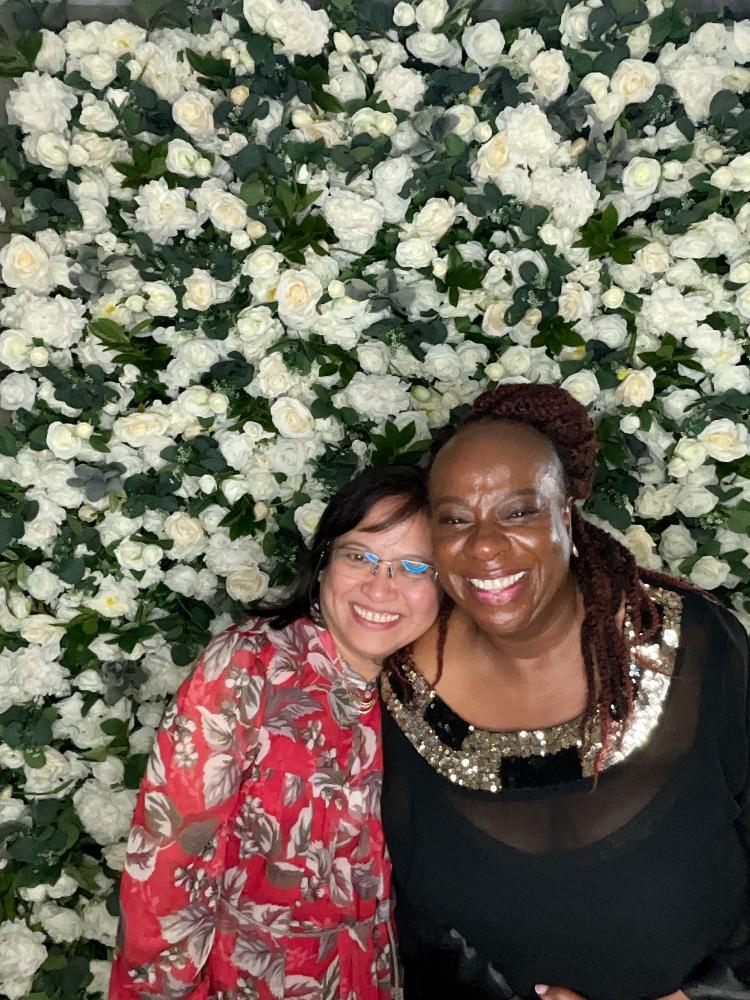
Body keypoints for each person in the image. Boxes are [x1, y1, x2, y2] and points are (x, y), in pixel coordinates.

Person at [380, 384, 750, 1000]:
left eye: (519, 512)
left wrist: (708, 994)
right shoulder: (398, 685)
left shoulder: (694, 645)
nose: (485, 544)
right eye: (455, 518)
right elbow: (414, 926)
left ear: (568, 517)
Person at [109, 464, 441, 1000]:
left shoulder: (433, 689)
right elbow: (168, 867)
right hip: (250, 980)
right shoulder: (250, 665)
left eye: (414, 566)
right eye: (359, 556)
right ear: (324, 560)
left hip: (378, 976)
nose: (381, 587)